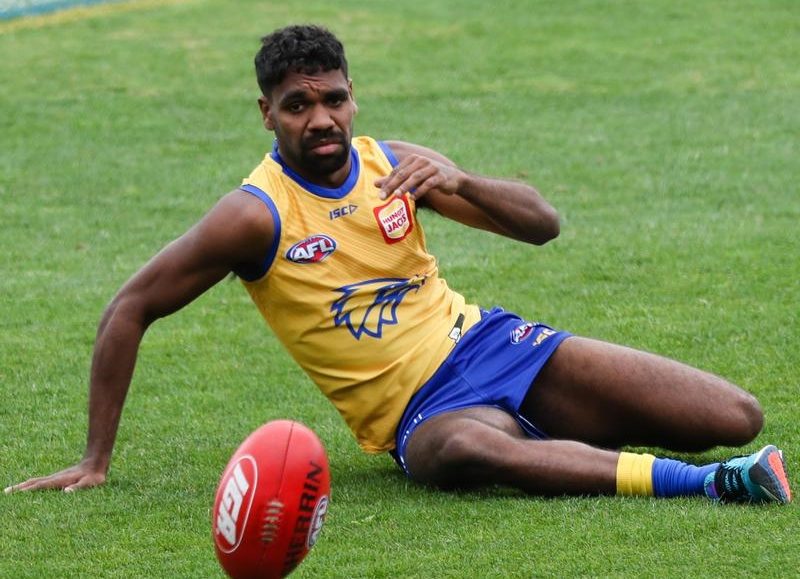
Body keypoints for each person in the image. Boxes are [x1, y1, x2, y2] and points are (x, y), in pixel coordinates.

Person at [6, 24, 791, 504]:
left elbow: (543, 227)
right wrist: (95, 459)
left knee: (735, 416)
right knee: (464, 452)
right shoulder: (255, 214)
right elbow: (130, 306)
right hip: (423, 416)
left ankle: (569, 436)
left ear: (353, 95)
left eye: (333, 99)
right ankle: (709, 482)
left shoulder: (394, 164)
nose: (321, 119)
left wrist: (460, 179)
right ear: (267, 112)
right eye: (298, 105)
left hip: (495, 347)